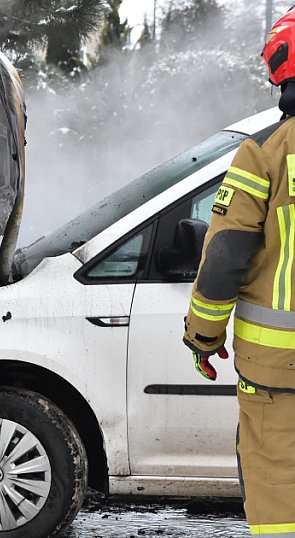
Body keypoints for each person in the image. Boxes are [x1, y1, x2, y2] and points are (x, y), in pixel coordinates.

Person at [183, 9, 295, 537]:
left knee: (278, 490)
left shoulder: (265, 154)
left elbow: (225, 256)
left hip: (280, 369)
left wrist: (203, 338)